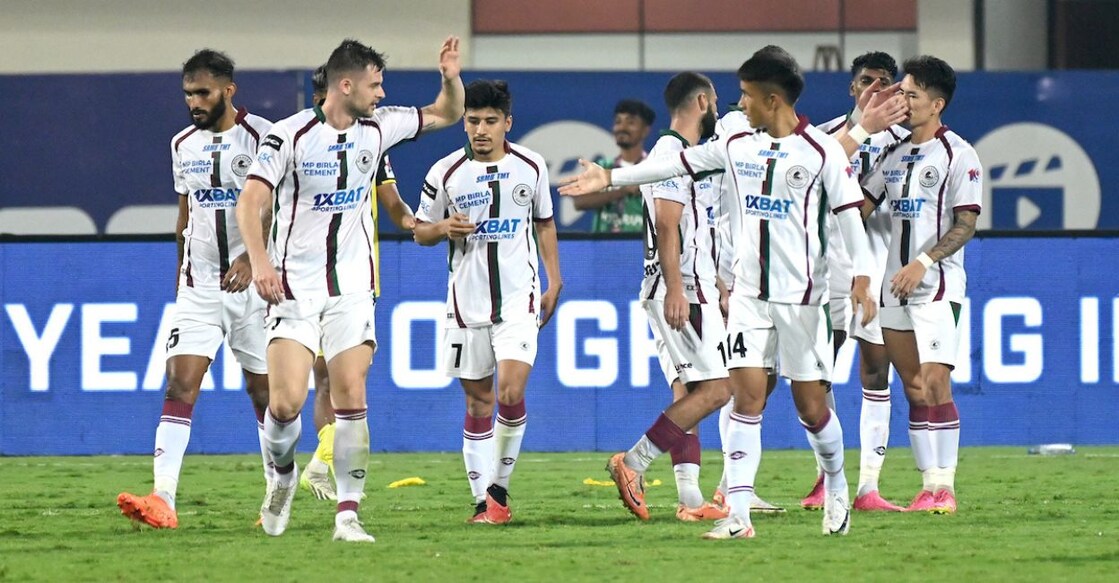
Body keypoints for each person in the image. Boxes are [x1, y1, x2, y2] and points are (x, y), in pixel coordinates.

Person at [561, 46, 906, 539]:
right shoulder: (737, 144)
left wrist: (863, 279)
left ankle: (835, 485)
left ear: (771, 99)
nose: (738, 106)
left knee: (812, 407)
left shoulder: (821, 152)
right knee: (744, 401)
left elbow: (850, 214)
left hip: (802, 302)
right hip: (748, 299)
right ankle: (738, 518)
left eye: (746, 96)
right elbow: (674, 165)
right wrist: (611, 176)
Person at [235, 37, 464, 542]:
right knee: (286, 405)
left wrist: (449, 76)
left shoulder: (380, 128)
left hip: (353, 286)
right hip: (292, 287)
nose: (381, 94)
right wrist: (260, 262)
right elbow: (249, 204)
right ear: (346, 85)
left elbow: (447, 112)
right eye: (374, 84)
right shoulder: (286, 136)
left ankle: (348, 516)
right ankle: (282, 476)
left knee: (351, 396)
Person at [117, 49, 274, 529]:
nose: (194, 102)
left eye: (202, 92)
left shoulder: (266, 138)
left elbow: (282, 211)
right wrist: (180, 272)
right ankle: (163, 497)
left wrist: (252, 258)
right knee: (179, 383)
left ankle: (276, 493)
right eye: (188, 93)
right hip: (200, 287)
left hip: (255, 290)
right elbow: (185, 215)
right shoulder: (182, 143)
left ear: (229, 90)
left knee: (267, 395)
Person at [413, 79, 562, 525]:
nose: (481, 129)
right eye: (473, 120)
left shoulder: (532, 166)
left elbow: (545, 223)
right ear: (464, 122)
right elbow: (420, 231)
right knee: (478, 404)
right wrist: (443, 229)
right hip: (465, 305)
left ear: (507, 123)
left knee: (511, 391)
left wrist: (555, 280)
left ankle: (498, 489)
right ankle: (484, 503)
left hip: (519, 298)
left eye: (490, 121)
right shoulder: (444, 172)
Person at [858, 55, 981, 514]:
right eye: (902, 92)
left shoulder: (958, 154)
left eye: (911, 94)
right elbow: (861, 207)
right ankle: (927, 486)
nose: (902, 101)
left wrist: (924, 262)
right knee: (911, 385)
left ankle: (946, 487)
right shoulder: (892, 152)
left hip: (936, 286)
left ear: (937, 103)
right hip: (894, 289)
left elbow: (966, 223)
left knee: (935, 383)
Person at [298, 65, 417, 501]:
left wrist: (412, 221)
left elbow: (391, 200)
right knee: (323, 381)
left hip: (355, 278)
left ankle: (323, 463)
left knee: (348, 378)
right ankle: (320, 464)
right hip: (306, 282)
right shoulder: (296, 143)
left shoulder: (370, 140)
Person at [799, 51, 910, 513]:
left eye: (886, 81)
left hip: (881, 269)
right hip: (829, 270)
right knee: (819, 373)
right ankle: (828, 478)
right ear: (852, 87)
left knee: (875, 371)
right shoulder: (823, 138)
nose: (875, 88)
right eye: (867, 80)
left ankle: (868, 487)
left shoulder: (910, 143)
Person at [635, 72, 730, 522]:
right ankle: (633, 463)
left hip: (693, 286)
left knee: (688, 390)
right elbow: (668, 223)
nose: (719, 107)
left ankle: (691, 500)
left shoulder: (686, 153)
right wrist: (677, 288)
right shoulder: (671, 153)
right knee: (718, 389)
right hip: (680, 289)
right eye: (716, 101)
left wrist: (720, 286)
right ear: (701, 101)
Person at [571, 99, 655, 233]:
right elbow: (579, 202)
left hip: (641, 247)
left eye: (631, 122)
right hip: (605, 248)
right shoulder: (602, 167)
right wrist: (623, 191)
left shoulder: (654, 168)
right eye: (618, 122)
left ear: (645, 130)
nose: (622, 127)